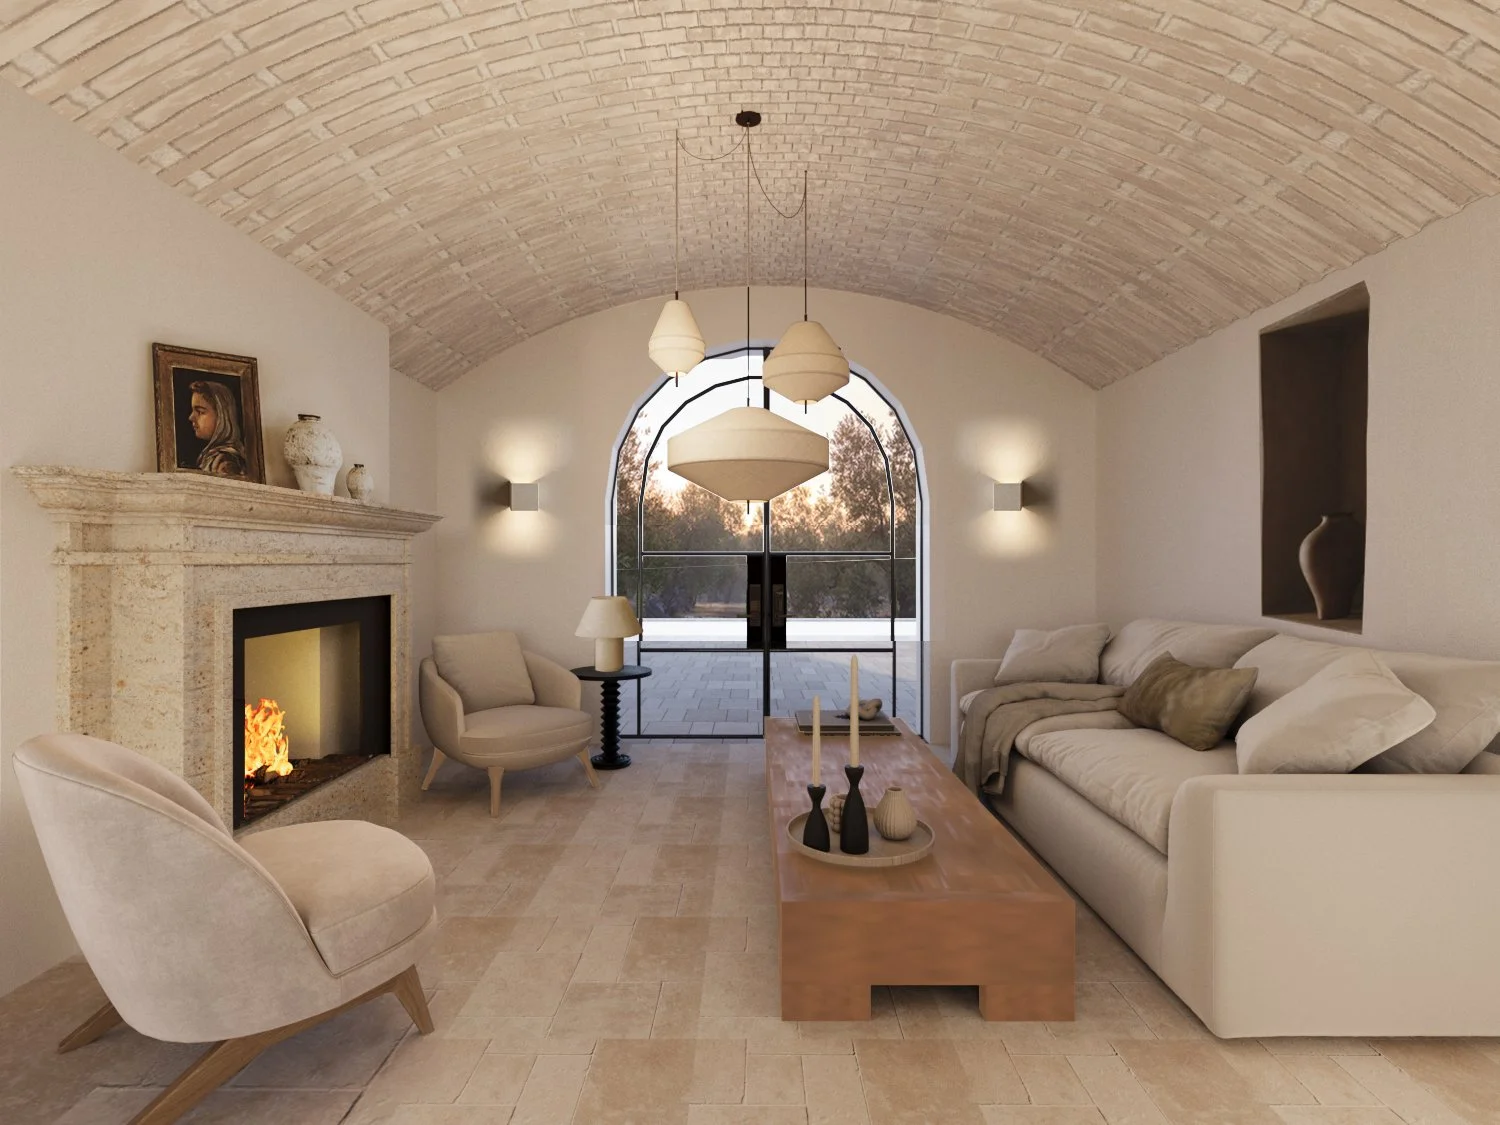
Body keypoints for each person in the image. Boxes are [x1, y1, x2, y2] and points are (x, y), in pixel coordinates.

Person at [186, 379, 249, 478]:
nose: (191, 417)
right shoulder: (210, 456)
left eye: (200, 412)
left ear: (221, 416)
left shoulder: (225, 461)